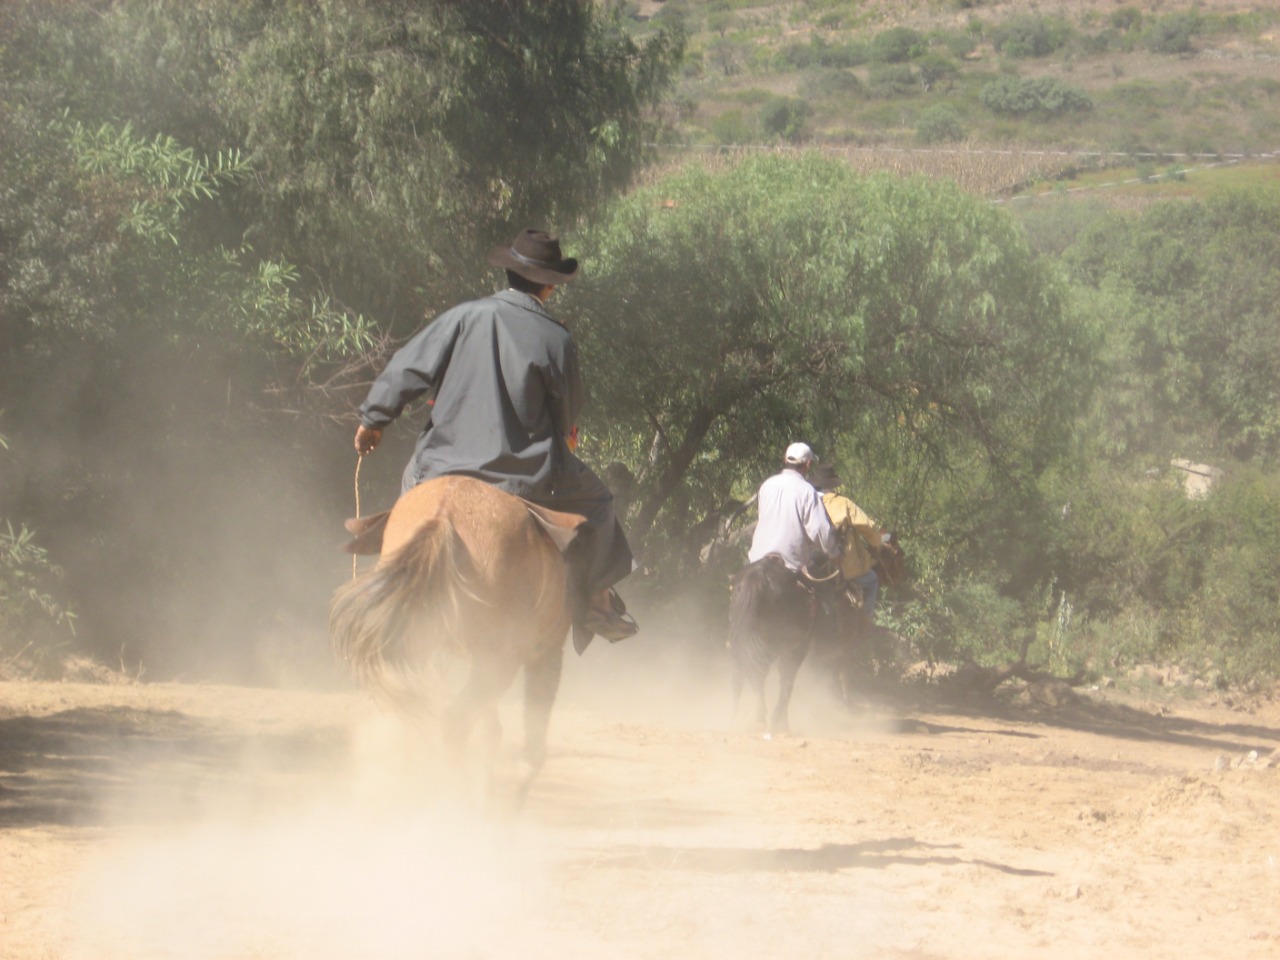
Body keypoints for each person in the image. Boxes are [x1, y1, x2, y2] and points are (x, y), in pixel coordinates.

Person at [352, 228, 637, 645]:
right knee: (600, 504)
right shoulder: (557, 339)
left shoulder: (464, 316)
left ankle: (389, 574)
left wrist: (373, 419)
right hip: (523, 474)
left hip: (439, 463)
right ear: (550, 284)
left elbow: (408, 369)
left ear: (510, 273)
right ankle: (596, 602)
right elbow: (568, 415)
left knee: (411, 492)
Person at [808, 462, 890, 622]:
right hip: (842, 566)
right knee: (872, 580)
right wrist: (877, 544)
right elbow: (868, 527)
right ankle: (866, 622)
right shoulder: (843, 503)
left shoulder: (809, 502)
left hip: (811, 563)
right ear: (833, 484)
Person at [747, 442, 840, 573]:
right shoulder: (807, 491)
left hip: (757, 559)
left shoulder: (766, 485)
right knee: (827, 591)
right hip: (790, 563)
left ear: (785, 460)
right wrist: (833, 552)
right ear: (808, 464)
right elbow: (819, 529)